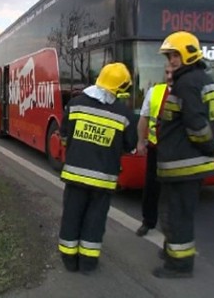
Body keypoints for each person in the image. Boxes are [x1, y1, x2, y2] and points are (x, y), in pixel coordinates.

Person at [153, 31, 214, 279]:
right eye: (169, 56)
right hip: (189, 162)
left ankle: (179, 265)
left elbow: (197, 125)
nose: (170, 60)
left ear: (188, 54)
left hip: (184, 163)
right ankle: (173, 252)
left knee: (176, 215)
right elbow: (212, 121)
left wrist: (210, 146)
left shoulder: (186, 83)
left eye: (174, 55)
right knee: (176, 212)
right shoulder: (202, 79)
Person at [57, 62, 137, 275]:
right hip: (103, 180)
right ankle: (88, 264)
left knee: (71, 216)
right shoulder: (125, 115)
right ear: (120, 88)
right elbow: (130, 146)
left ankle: (69, 259)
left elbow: (64, 136)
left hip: (75, 175)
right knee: (95, 220)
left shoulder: (75, 104)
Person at [135, 63, 174, 237]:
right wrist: (140, 142)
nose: (169, 76)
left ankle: (172, 232)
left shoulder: (189, 92)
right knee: (151, 189)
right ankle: (148, 222)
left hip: (177, 153)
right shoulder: (155, 92)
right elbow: (144, 118)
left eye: (172, 72)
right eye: (166, 72)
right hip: (155, 149)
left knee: (172, 194)